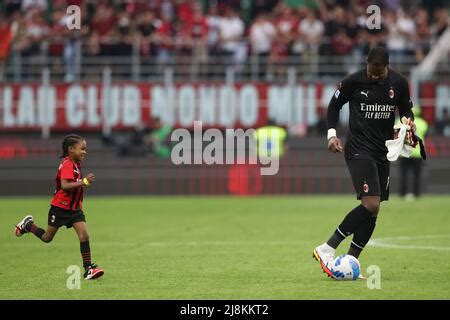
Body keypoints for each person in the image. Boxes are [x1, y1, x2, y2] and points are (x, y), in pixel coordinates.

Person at [313, 46, 416, 279]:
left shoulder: (399, 83)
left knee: (373, 212)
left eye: (378, 73)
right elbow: (333, 106)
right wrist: (331, 134)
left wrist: (409, 125)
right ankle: (327, 248)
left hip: (383, 152)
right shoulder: (353, 81)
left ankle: (349, 263)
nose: (374, 76)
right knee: (371, 204)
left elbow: (406, 109)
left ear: (387, 67)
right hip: (359, 150)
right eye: (371, 71)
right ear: (366, 63)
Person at [14, 134, 104, 280]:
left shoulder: (75, 164)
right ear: (71, 149)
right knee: (47, 237)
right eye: (82, 149)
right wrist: (84, 181)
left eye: (85, 149)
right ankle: (28, 225)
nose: (84, 152)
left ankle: (88, 269)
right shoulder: (68, 164)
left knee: (84, 235)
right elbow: (65, 185)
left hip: (74, 209)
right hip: (60, 208)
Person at [399, 106, 428, 199]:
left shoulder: (401, 122)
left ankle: (402, 193)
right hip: (417, 153)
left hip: (405, 152)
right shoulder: (423, 123)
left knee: (403, 175)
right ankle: (417, 193)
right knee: (417, 176)